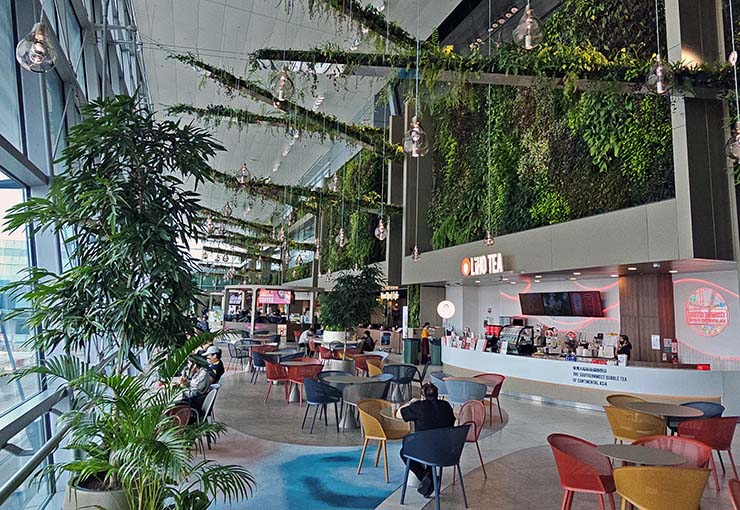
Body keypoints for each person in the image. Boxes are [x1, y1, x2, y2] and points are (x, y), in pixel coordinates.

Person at [398, 383, 456, 498]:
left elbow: (399, 414)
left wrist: (410, 403)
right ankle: (429, 477)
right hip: (446, 451)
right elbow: (451, 423)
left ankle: (425, 477)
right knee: (434, 442)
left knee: (404, 452)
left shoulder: (418, 407)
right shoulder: (446, 406)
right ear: (437, 394)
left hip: (424, 451)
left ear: (422, 395)